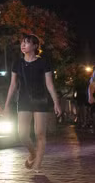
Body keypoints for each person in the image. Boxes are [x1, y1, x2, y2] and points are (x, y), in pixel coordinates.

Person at [4, 33, 62, 171]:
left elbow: (49, 84)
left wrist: (56, 102)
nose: (23, 45)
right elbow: (12, 85)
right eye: (22, 42)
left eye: (27, 42)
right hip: (23, 99)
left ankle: (37, 164)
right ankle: (33, 153)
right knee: (22, 134)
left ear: (35, 46)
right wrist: (6, 105)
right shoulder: (17, 63)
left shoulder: (43, 62)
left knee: (40, 133)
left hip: (41, 99)